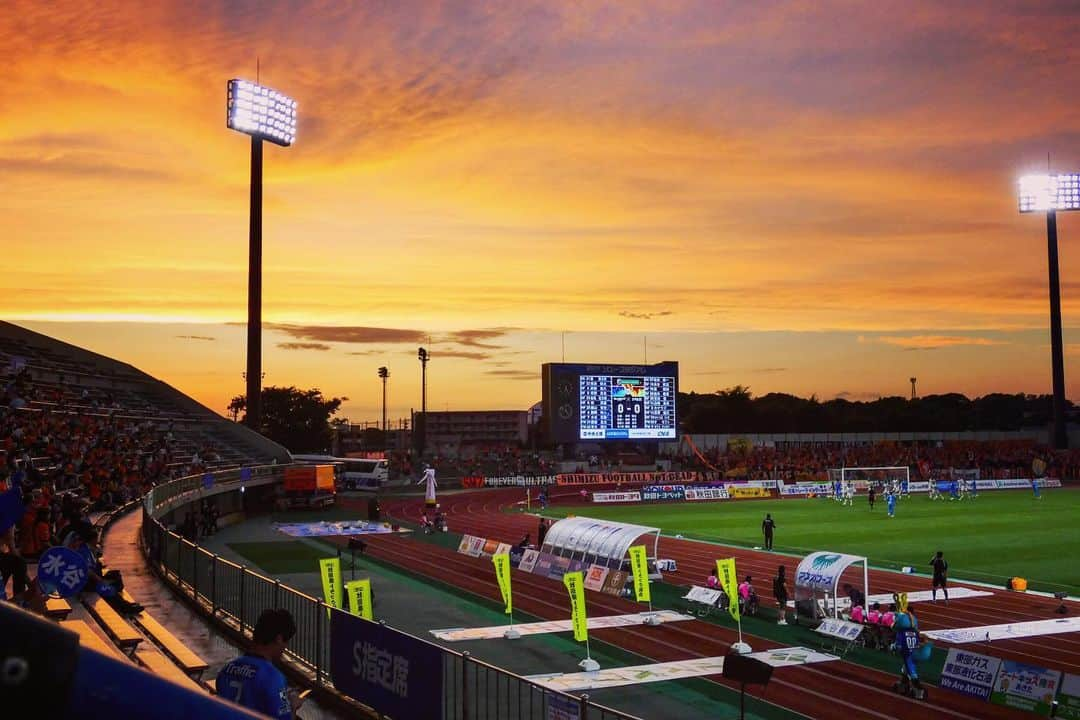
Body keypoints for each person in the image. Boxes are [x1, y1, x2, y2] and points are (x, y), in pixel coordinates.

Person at [216, 608, 302, 719]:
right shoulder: (273, 678)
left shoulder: (228, 668)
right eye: (286, 642)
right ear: (279, 639)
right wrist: (293, 706)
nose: (284, 648)